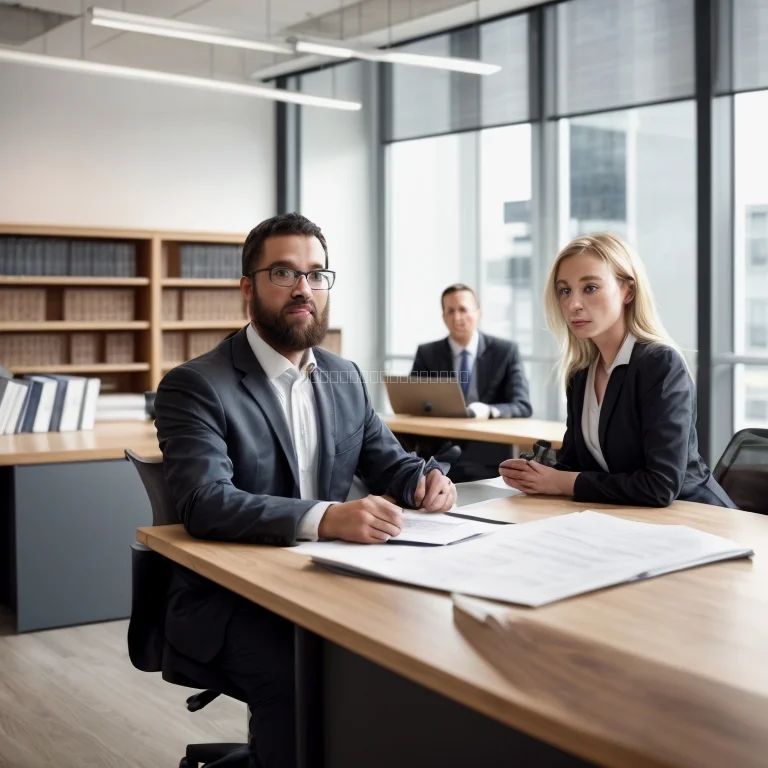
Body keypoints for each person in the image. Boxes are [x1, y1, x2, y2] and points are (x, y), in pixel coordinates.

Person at [154, 212, 456, 768]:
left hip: (333, 585)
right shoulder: (197, 384)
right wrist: (329, 517)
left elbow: (390, 462)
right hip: (234, 601)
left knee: (428, 648)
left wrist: (424, 480)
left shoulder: (343, 376)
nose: (304, 289)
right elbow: (204, 501)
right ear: (248, 288)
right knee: (299, 676)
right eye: (284, 273)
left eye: (316, 274)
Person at [499, 233, 734, 509]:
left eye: (590, 288)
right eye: (565, 291)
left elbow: (660, 486)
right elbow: (575, 465)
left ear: (628, 291)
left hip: (698, 519)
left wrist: (561, 482)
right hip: (629, 520)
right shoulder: (581, 373)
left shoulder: (659, 364)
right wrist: (535, 474)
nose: (574, 304)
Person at [410, 283, 532, 482]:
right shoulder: (427, 353)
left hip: (486, 451)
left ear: (478, 313)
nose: (457, 317)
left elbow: (522, 405)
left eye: (463, 309)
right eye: (450, 311)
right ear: (443, 317)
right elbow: (412, 401)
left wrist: (488, 411)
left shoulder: (505, 351)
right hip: (437, 450)